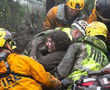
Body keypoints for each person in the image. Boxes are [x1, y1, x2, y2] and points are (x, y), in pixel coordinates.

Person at [55, 21, 109, 88]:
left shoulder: (79, 45)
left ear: (88, 32)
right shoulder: (106, 58)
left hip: (75, 84)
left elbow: (62, 71)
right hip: (94, 86)